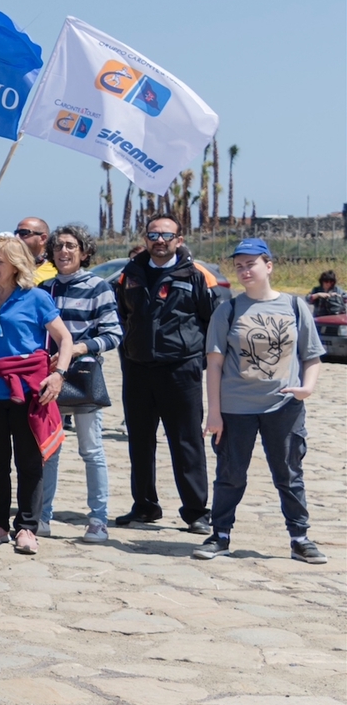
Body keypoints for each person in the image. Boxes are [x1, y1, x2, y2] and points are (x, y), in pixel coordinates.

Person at [201, 239, 325, 563]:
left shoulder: (295, 307)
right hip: (235, 408)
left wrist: (306, 388)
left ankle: (300, 538)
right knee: (230, 475)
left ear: (268, 266)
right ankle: (220, 535)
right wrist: (214, 412)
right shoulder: (227, 310)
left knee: (289, 474)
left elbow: (312, 357)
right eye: (239, 265)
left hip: (283, 407)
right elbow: (213, 365)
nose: (244, 271)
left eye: (251, 264)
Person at [113, 215, 219, 534]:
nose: (160, 240)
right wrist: (129, 353)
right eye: (153, 234)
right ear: (145, 239)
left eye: (167, 235)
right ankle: (144, 506)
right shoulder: (128, 274)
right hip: (138, 369)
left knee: (186, 442)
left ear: (179, 239)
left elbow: (212, 321)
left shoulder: (197, 275)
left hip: (180, 370)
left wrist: (195, 361)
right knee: (140, 442)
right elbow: (120, 318)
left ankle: (197, 512)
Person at [0, 236, 74, 554]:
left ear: (16, 267)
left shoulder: (36, 298)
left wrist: (58, 376)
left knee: (30, 463)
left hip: (31, 392)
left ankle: (28, 527)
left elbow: (65, 339)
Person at [39, 225, 122, 543]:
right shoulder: (45, 289)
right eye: (58, 246)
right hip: (49, 380)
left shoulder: (99, 287)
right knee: (48, 451)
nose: (64, 251)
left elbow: (114, 334)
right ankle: (42, 516)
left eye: (71, 246)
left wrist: (76, 348)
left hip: (84, 378)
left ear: (84, 252)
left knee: (91, 450)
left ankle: (98, 520)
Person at [15, 218, 57, 284]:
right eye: (16, 233)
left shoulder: (57, 269)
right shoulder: (9, 268)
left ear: (43, 239)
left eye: (23, 233)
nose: (17, 237)